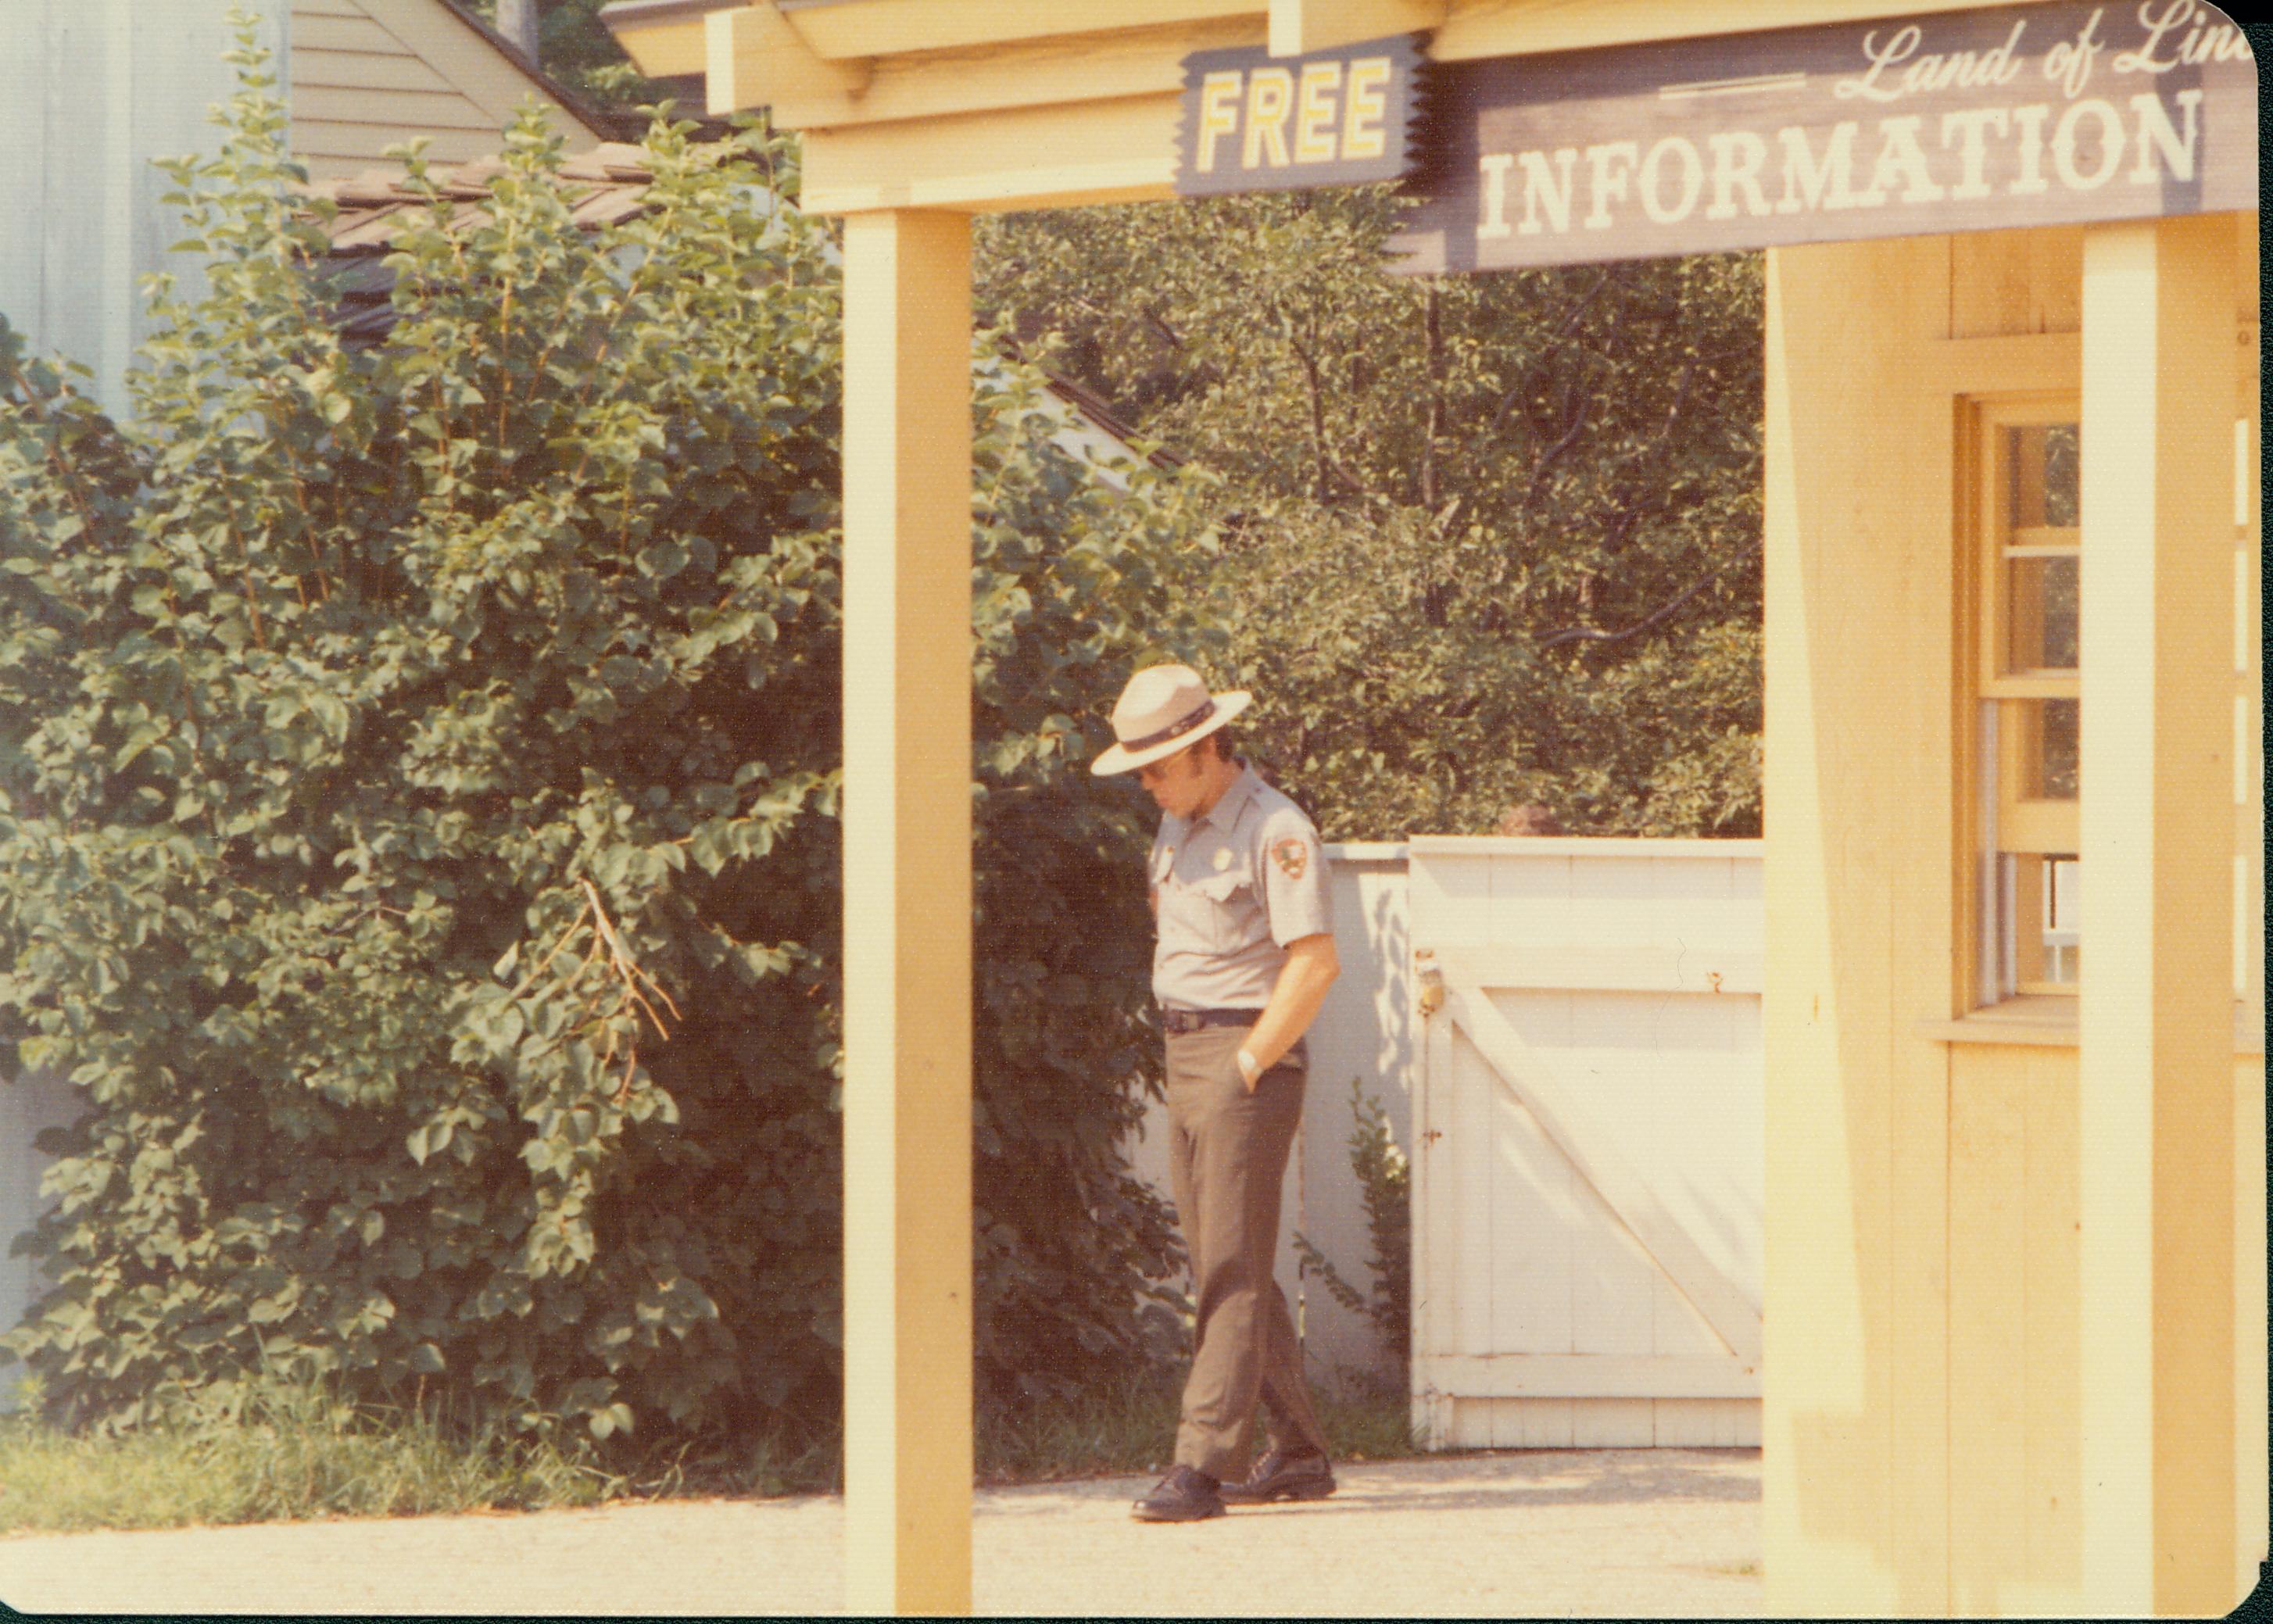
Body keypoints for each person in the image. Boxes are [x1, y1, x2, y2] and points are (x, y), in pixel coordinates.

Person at [1090, 663, 1342, 1523]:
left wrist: (1248, 1063)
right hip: (1188, 1049)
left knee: (1230, 1266)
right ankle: (1301, 1451)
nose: (1147, 784)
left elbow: (1312, 964)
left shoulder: (1277, 829)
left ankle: (1198, 1465)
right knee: (1221, 1257)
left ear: (1204, 748)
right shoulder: (1178, 825)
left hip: (1244, 1054)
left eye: (1157, 767)